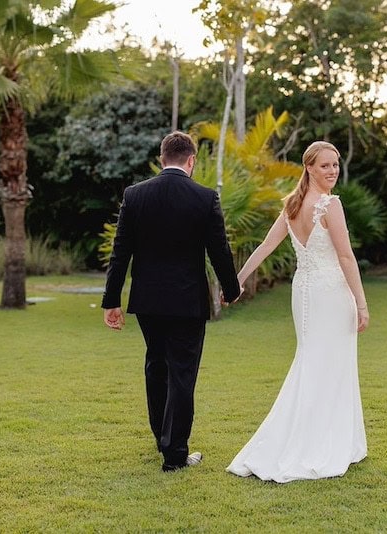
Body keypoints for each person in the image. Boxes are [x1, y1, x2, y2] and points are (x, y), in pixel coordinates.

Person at [226, 140, 369, 483]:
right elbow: (346, 257)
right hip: (331, 293)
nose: (332, 171)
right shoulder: (329, 205)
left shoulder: (292, 204)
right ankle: (320, 445)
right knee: (327, 365)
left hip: (304, 291)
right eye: (325, 166)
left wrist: (238, 280)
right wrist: (362, 303)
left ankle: (318, 438)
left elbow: (265, 246)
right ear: (309, 168)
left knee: (313, 362)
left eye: (335, 165)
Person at [102, 131, 241, 472]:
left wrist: (111, 300)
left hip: (148, 302)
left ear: (162, 158)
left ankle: (161, 440)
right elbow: (219, 250)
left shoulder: (135, 195)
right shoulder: (205, 197)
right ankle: (175, 455)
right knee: (182, 374)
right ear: (191, 161)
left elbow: (121, 253)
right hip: (186, 302)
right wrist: (231, 289)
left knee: (156, 366)